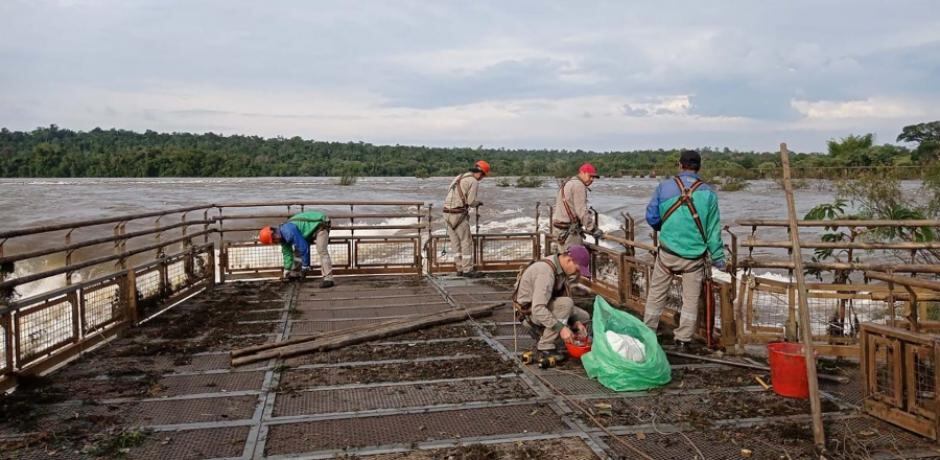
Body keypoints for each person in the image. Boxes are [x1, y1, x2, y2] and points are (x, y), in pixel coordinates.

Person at [643, 150, 725, 350]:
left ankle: (647, 333)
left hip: (667, 253)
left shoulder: (664, 187)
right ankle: (683, 340)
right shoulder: (709, 193)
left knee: (656, 294)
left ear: (680, 165)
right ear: (699, 167)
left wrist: (665, 228)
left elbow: (651, 217)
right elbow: (713, 231)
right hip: (694, 258)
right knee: (690, 301)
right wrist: (719, 258)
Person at [512, 244, 592, 367]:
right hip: (529, 315)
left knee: (583, 317)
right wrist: (561, 328)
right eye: (577, 269)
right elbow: (538, 308)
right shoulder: (546, 272)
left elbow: (562, 300)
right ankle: (545, 346)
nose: (577, 273)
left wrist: (576, 322)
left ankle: (561, 339)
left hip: (543, 308)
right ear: (569, 260)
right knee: (566, 304)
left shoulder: (561, 270)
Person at [258, 210, 334, 288]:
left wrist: (305, 266)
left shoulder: (288, 232)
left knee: (321, 250)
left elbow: (304, 248)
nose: (275, 241)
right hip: (309, 229)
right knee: (298, 251)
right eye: (273, 241)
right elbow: (287, 254)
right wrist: (287, 269)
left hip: (321, 223)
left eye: (273, 239)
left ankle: (328, 279)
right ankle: (296, 275)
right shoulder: (282, 237)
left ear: (273, 232)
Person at [443, 160, 490, 277]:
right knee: (466, 242)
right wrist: (478, 203)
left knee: (455, 243)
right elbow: (471, 201)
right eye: (483, 176)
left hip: (446, 213)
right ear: (481, 173)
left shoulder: (459, 177)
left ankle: (459, 268)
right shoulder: (473, 181)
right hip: (458, 214)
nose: (481, 179)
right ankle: (468, 270)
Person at [553, 163, 603, 251]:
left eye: (593, 177)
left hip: (559, 230)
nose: (592, 179)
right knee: (575, 262)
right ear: (582, 173)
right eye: (590, 176)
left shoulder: (568, 183)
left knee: (564, 259)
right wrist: (593, 229)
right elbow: (581, 211)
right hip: (569, 232)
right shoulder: (579, 185)